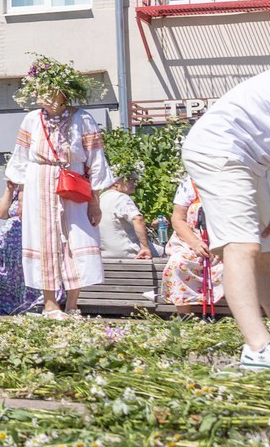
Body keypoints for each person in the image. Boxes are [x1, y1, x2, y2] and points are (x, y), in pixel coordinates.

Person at [176, 61, 270, 366]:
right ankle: (258, 349)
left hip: (256, 159)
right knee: (242, 245)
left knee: (267, 250)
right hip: (219, 149)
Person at [5, 56, 110, 317]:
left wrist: (95, 202)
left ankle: (73, 303)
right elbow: (20, 158)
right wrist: (19, 197)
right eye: (38, 89)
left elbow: (96, 159)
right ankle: (50, 303)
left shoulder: (83, 119)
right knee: (43, 241)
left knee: (77, 237)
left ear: (63, 93)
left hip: (72, 182)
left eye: (47, 89)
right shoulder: (31, 119)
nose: (41, 95)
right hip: (38, 182)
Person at [160, 175, 221, 316]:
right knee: (178, 263)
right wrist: (195, 243)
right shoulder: (189, 183)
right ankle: (185, 317)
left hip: (223, 241)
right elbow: (178, 219)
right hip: (190, 240)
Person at [96, 169, 151, 259]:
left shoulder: (101, 198)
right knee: (166, 252)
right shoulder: (121, 198)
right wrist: (145, 247)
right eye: (130, 179)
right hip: (127, 252)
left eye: (135, 180)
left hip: (105, 253)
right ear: (116, 182)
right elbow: (138, 219)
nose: (135, 184)